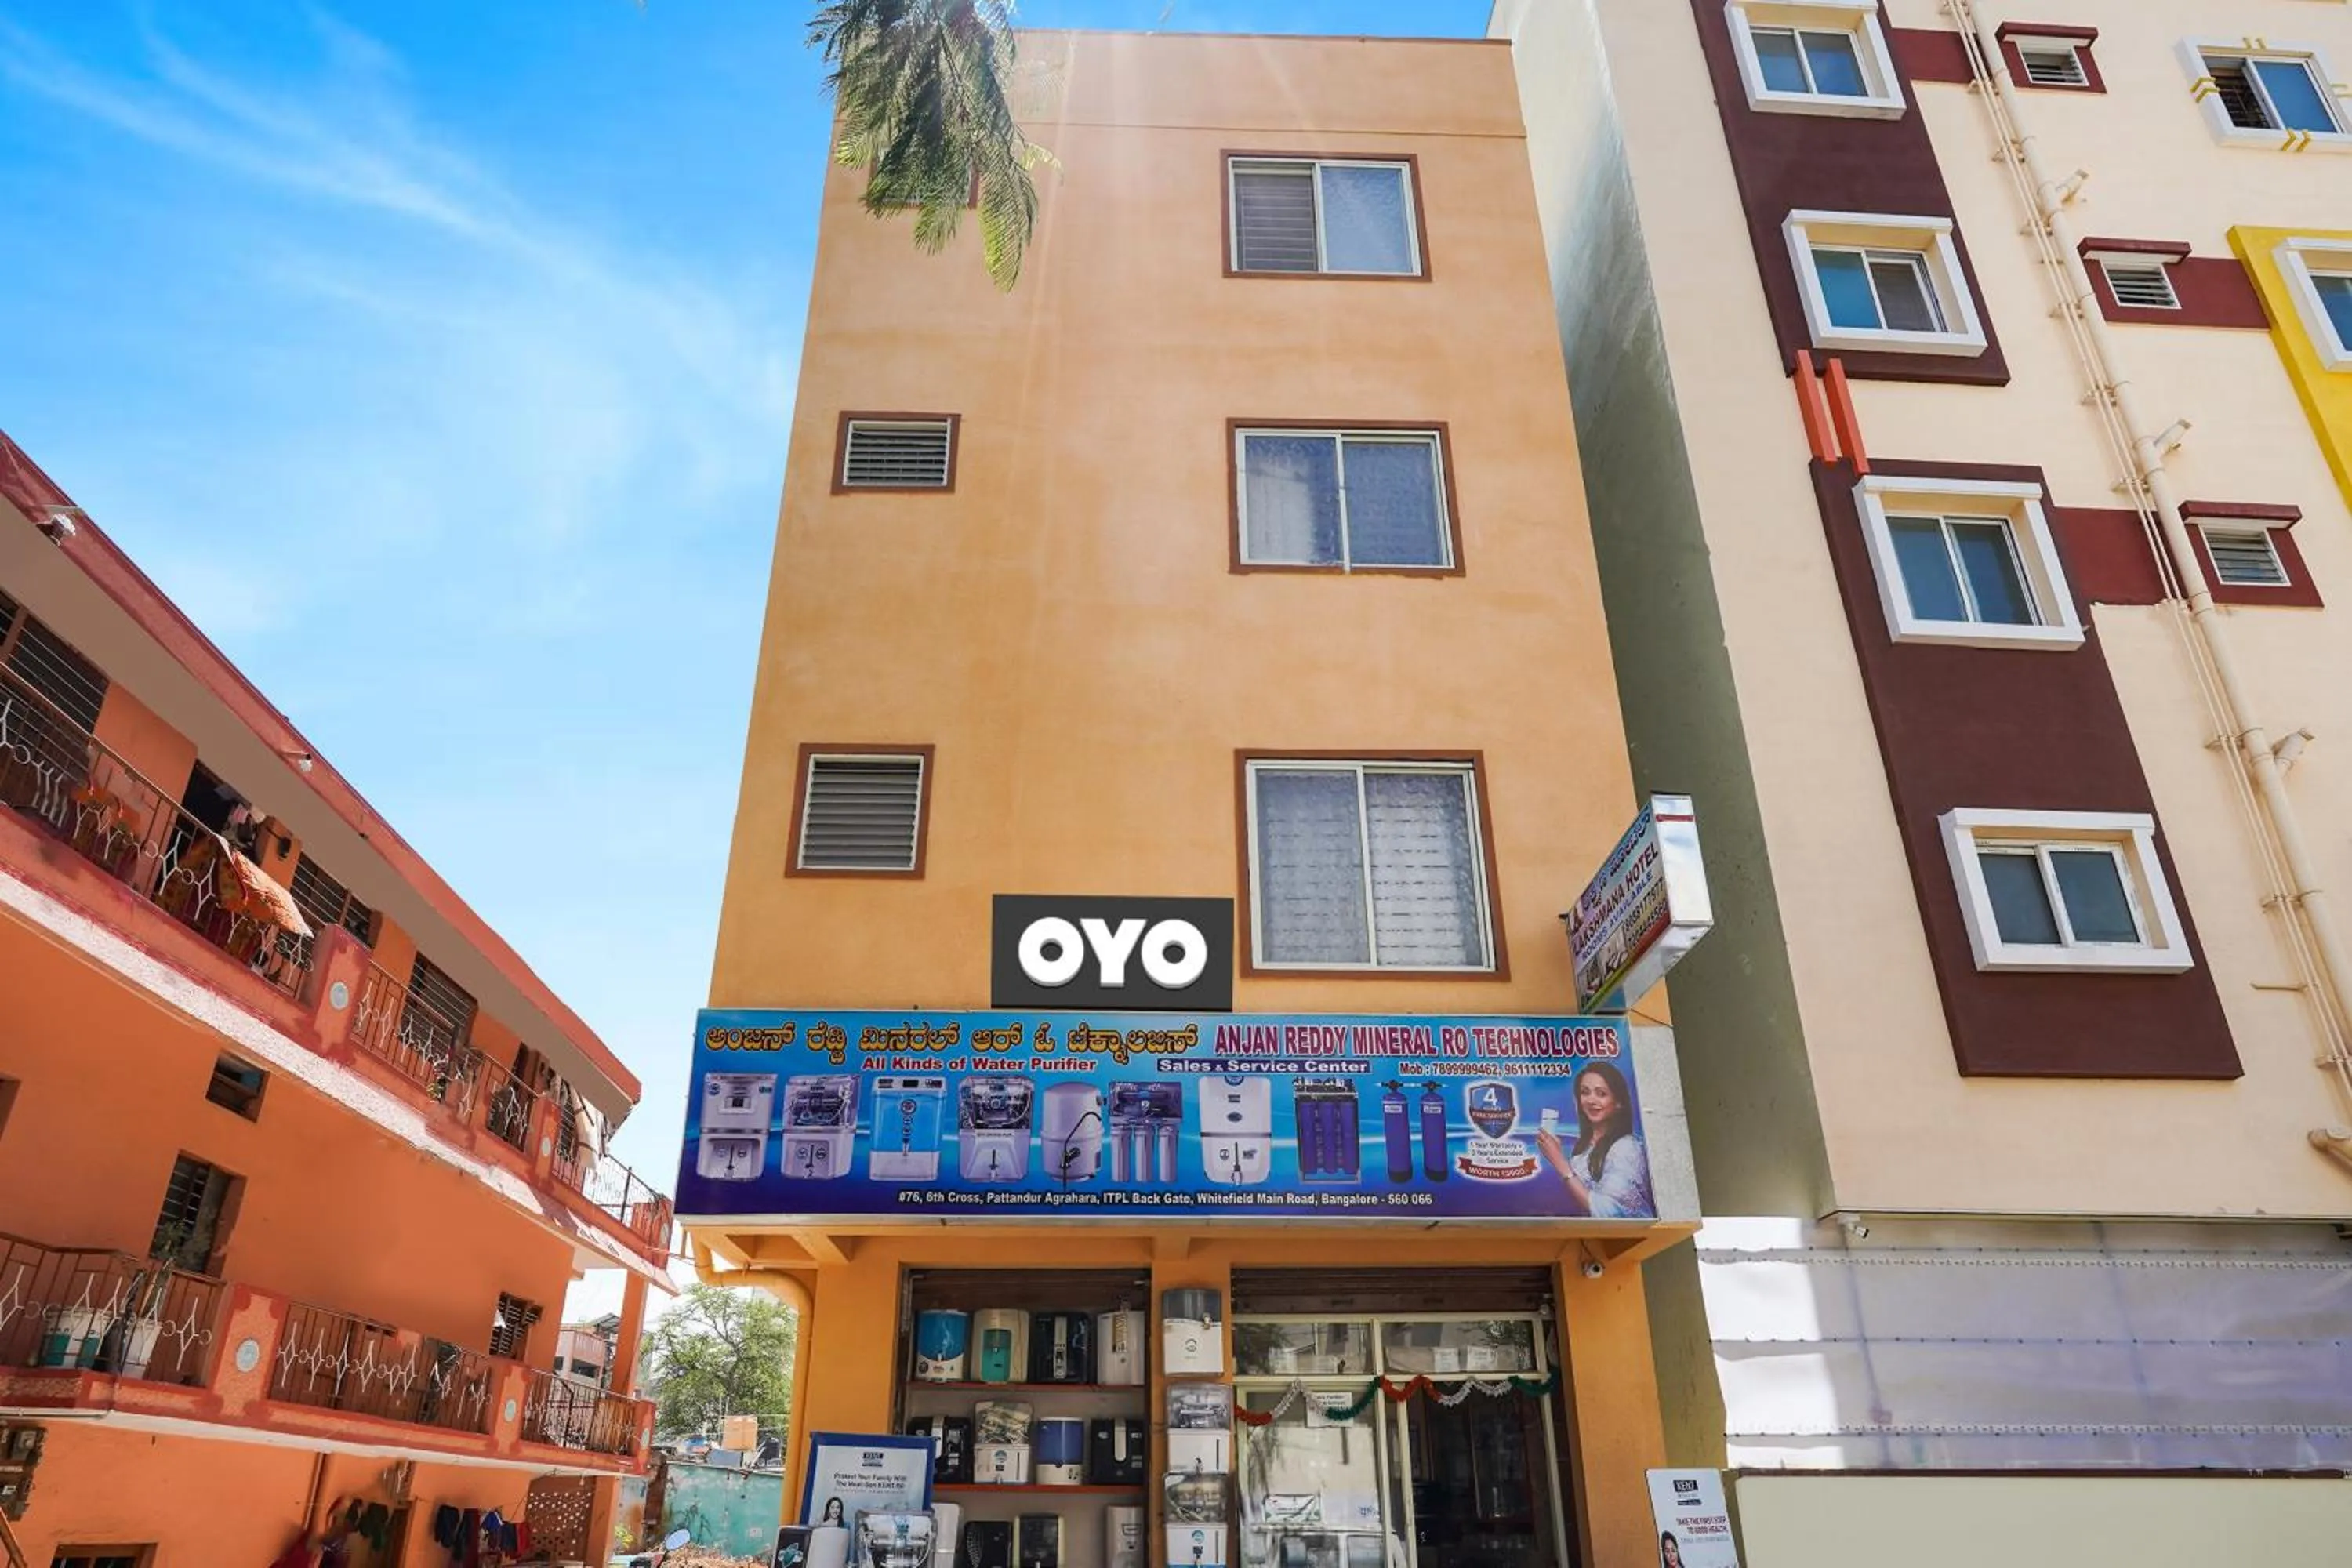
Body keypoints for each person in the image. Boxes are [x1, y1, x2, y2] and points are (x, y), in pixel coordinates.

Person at [1534, 1062, 1653, 1218]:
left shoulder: (1627, 1148)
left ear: (1619, 1102)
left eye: (1601, 1094)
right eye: (1585, 1092)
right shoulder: (1584, 1146)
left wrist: (1559, 1162)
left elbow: (1610, 1212)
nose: (1591, 1100)